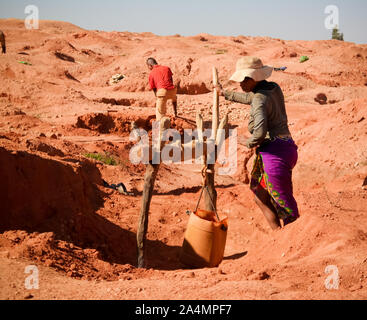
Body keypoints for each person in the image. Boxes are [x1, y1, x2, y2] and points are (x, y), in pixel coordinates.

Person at [215, 56, 299, 230]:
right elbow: (251, 98)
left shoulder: (259, 99)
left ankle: (296, 244)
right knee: (260, 197)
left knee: (285, 206)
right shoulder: (273, 88)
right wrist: (225, 94)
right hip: (285, 147)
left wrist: (247, 142)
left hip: (275, 153)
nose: (240, 84)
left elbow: (259, 133)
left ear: (252, 78)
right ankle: (278, 236)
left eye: (243, 80)